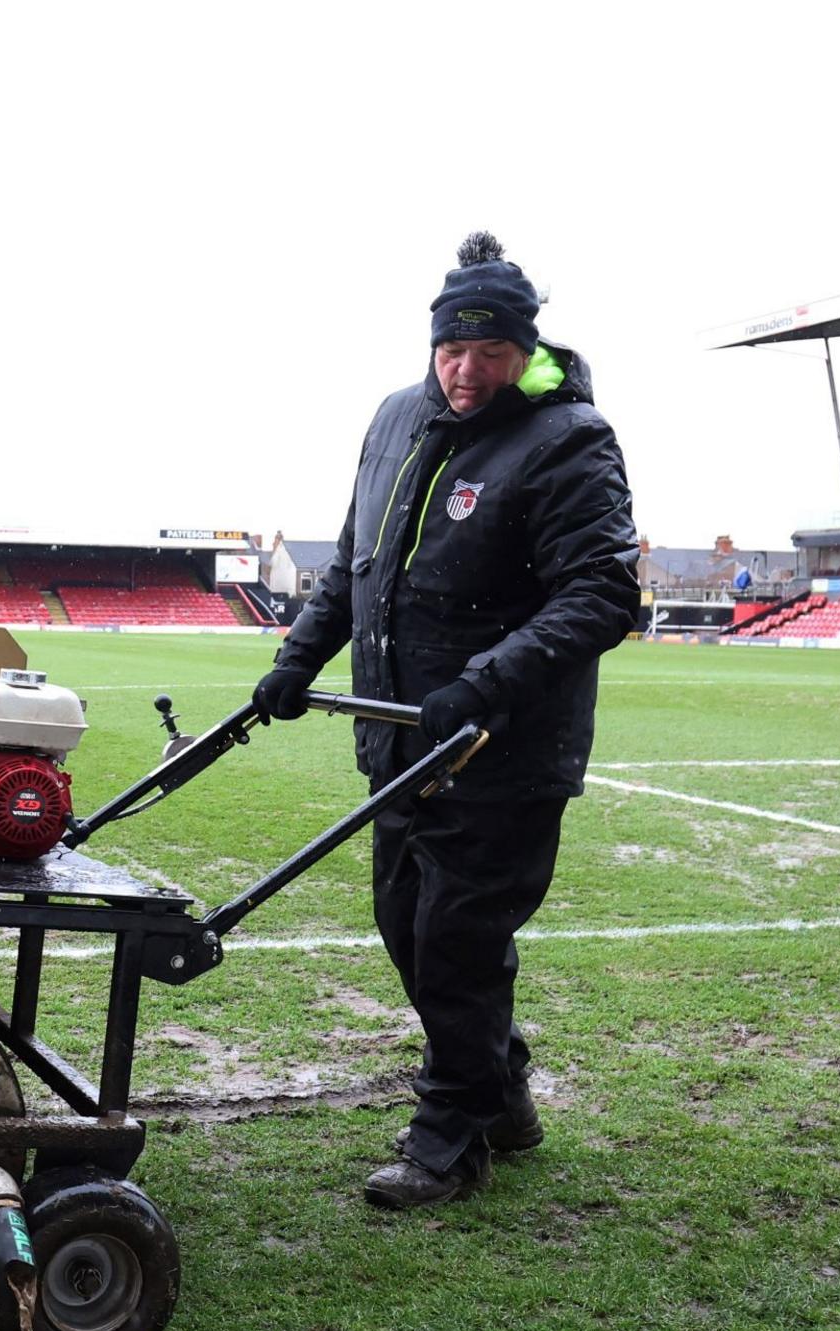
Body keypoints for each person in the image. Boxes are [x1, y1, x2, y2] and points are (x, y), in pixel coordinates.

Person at [253, 232, 641, 1211]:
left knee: (456, 943)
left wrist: (483, 681)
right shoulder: (395, 421)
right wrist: (295, 661)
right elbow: (355, 563)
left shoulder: (568, 438)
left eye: (490, 353)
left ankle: (448, 1141)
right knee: (405, 929)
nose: (466, 372)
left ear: (526, 351)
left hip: (501, 749)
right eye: (450, 352)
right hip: (398, 744)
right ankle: (499, 1092)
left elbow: (602, 595)